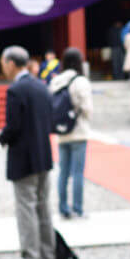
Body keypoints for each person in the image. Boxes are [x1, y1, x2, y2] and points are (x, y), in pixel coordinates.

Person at [0, 45, 56, 259]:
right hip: (43, 155)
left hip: (23, 158)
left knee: (26, 210)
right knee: (43, 207)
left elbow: (13, 126)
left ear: (11, 63)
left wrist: (2, 138)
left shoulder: (16, 90)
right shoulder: (41, 87)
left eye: (3, 63)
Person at [49, 47, 93, 219]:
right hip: (79, 131)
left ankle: (62, 208)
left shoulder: (56, 81)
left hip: (61, 132)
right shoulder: (80, 81)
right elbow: (88, 108)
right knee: (77, 173)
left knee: (63, 173)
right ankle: (78, 208)